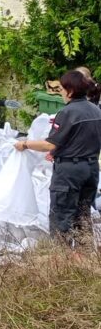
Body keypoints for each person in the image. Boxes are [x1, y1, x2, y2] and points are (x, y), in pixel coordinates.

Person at [15, 71, 101, 246]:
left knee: (62, 215)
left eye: (61, 89)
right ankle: (85, 255)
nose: (60, 93)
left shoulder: (68, 113)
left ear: (70, 90)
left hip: (69, 172)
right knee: (83, 215)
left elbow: (49, 144)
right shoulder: (96, 110)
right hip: (91, 168)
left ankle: (62, 261)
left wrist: (25, 144)